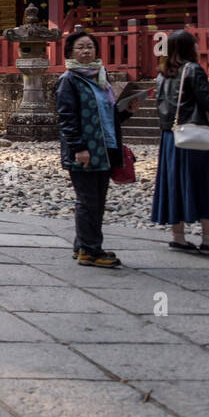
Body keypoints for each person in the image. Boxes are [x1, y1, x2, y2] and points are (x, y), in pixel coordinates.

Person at [55, 30, 138, 268]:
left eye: (90, 47)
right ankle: (91, 251)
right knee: (88, 200)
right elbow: (66, 118)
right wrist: (79, 148)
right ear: (70, 52)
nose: (86, 51)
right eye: (80, 47)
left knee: (97, 200)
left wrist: (126, 112)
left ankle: (81, 245)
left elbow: (106, 117)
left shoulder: (100, 78)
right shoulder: (68, 80)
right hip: (84, 151)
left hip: (104, 148)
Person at [151, 29, 209, 251]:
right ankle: (208, 238)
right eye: (194, 43)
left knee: (174, 183)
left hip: (170, 137)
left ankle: (178, 237)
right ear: (188, 47)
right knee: (204, 183)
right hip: (193, 136)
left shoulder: (161, 74)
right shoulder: (193, 69)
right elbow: (206, 102)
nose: (198, 47)